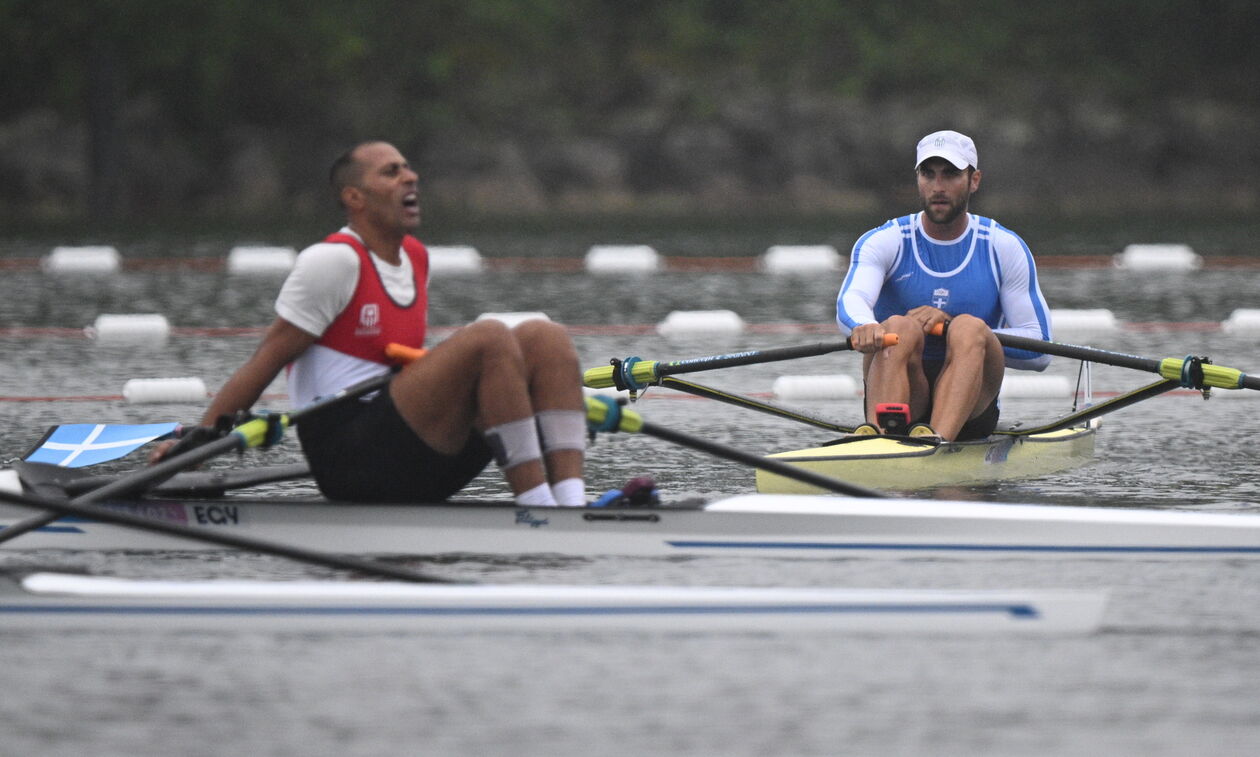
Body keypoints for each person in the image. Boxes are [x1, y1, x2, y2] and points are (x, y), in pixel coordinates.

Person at [156, 140, 586, 506]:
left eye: (408, 169)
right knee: (489, 337)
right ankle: (537, 510)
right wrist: (196, 448)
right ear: (354, 197)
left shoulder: (416, 257)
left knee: (545, 337)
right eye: (391, 172)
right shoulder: (333, 261)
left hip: (411, 449)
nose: (410, 177)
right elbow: (265, 362)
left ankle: (571, 505)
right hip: (351, 459)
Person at [835, 129, 1052, 442]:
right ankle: (882, 441)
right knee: (898, 327)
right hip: (905, 390)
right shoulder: (886, 240)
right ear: (918, 179)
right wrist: (865, 326)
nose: (938, 187)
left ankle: (936, 440)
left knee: (969, 328)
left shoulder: (1002, 246)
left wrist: (950, 327)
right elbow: (851, 299)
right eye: (928, 174)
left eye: (950, 174)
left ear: (973, 180)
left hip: (973, 404)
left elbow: (1040, 347)